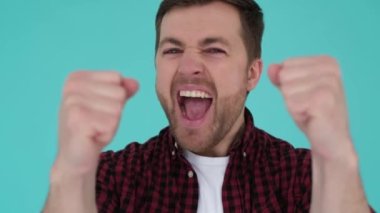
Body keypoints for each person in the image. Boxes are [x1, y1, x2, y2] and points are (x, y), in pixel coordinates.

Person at [43, 0, 375, 212]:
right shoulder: (112, 178)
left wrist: (337, 158)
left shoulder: (304, 178)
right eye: (172, 50)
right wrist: (71, 173)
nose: (188, 66)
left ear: (252, 73)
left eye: (214, 49)